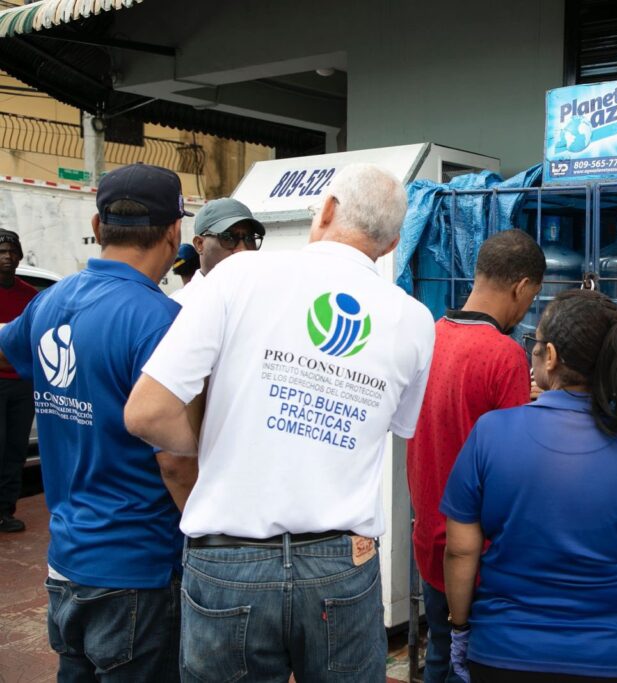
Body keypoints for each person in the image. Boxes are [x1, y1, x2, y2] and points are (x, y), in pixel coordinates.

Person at [124, 163, 435, 682]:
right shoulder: (413, 320)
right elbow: (394, 429)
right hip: (341, 562)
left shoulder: (238, 275)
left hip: (229, 559)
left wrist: (223, 438)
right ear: (391, 242)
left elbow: (146, 412)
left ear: (329, 210)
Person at [442, 289, 617, 683]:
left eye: (534, 343)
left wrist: (459, 629)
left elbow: (460, 551)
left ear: (552, 356)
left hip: (502, 653)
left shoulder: (490, 433)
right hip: (616, 659)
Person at [0, 163, 194, 681]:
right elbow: (175, 462)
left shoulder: (49, 302)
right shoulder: (160, 322)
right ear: (176, 232)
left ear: (96, 222)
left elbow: (9, 343)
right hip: (138, 568)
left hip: (66, 563)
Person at [407, 228, 545, 683]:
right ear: (522, 286)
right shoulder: (504, 354)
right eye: (532, 297)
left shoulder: (428, 336)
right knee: (474, 663)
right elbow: (516, 463)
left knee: (440, 654)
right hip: (480, 557)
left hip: (430, 539)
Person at [0, 229, 38, 532]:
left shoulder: (30, 296)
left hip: (23, 385)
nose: (7, 257)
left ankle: (5, 511)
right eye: (1, 251)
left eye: (12, 251)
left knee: (15, 450)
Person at [170, 197, 264, 305]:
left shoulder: (265, 299)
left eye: (249, 238)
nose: (243, 249)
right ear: (199, 244)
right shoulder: (179, 307)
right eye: (227, 238)